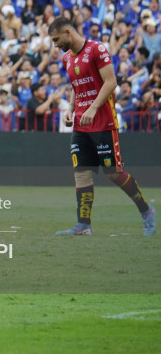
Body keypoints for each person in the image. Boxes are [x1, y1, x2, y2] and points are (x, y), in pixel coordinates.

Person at [48, 18, 156, 237]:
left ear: (68, 32)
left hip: (103, 121)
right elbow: (76, 85)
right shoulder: (67, 57)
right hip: (81, 123)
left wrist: (93, 108)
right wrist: (71, 108)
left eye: (57, 39)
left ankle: (146, 211)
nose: (55, 45)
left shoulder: (97, 49)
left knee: (113, 173)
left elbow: (111, 82)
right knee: (81, 172)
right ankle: (84, 225)